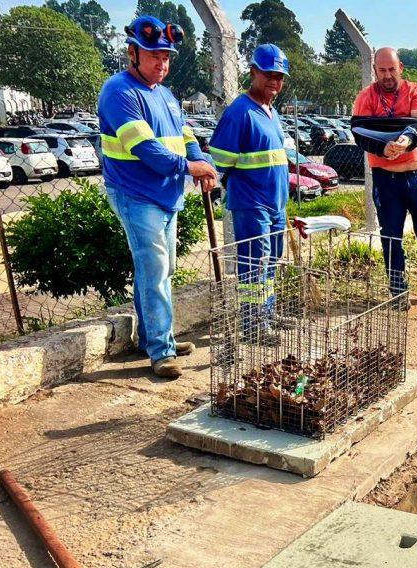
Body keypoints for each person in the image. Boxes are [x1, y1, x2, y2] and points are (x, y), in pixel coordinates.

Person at [98, 15, 217, 378]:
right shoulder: (119, 92)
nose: (162, 64)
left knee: (163, 270)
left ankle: (153, 337)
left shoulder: (165, 94)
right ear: (132, 53)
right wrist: (191, 168)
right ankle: (161, 352)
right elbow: (147, 150)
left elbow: (186, 135)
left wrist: (202, 161)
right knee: (155, 270)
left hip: (165, 196)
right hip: (135, 194)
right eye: (154, 56)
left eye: (166, 57)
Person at [351, 47, 417, 308]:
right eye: (382, 70)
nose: (387, 75)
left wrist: (406, 140)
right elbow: (360, 133)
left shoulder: (415, 91)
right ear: (375, 70)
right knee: (391, 236)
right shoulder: (366, 97)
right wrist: (382, 147)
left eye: (392, 69)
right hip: (386, 180)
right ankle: (397, 291)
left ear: (401, 68)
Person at [208, 44, 290, 343]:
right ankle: (253, 323)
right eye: (268, 74)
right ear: (253, 72)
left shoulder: (271, 111)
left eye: (279, 76)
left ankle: (266, 313)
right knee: (254, 263)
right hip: (252, 203)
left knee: (270, 262)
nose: (274, 81)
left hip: (275, 204)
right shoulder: (240, 112)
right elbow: (220, 162)